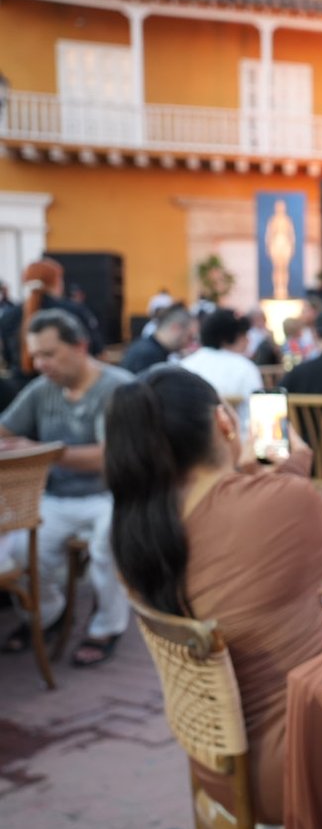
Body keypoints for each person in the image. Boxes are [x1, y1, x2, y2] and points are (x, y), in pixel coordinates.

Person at [102, 366, 322, 822]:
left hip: (221, 768)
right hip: (315, 758)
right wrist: (290, 479)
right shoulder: (283, 498)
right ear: (225, 422)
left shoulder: (135, 535)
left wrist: (272, 482)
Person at [0, 310, 133, 666]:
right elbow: (6, 428)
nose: (40, 364)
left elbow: (111, 456)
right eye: (36, 355)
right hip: (56, 497)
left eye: (49, 354)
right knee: (20, 552)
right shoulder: (43, 388)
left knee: (108, 545)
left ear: (80, 347)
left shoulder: (117, 387)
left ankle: (107, 626)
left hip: (111, 494)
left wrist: (41, 452)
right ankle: (49, 614)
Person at [0, 258, 104, 390]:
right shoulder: (74, 312)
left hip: (18, 388)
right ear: (57, 282)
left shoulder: (8, 316)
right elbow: (95, 351)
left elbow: (7, 358)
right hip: (67, 387)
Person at [181, 309, 264, 416]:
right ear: (228, 338)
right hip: (236, 425)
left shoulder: (185, 365)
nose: (248, 341)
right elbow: (258, 412)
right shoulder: (245, 368)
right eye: (244, 335)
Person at [120, 305, 193, 374]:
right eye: (189, 337)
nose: (189, 343)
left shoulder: (148, 347)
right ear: (176, 329)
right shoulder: (148, 355)